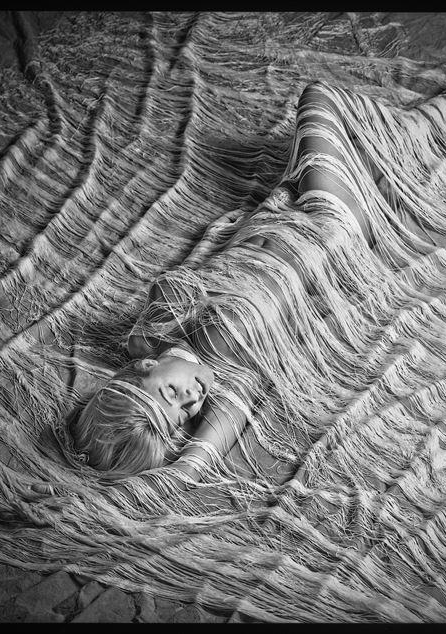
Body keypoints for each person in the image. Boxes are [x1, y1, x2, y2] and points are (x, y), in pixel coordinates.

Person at [70, 81, 390, 485]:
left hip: (281, 213)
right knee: (319, 97)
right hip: (333, 226)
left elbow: (176, 285)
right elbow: (212, 439)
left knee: (342, 142)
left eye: (172, 393)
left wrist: (154, 337)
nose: (192, 400)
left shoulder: (155, 336)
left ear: (146, 368)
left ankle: (376, 178)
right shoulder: (225, 369)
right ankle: (380, 187)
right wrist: (179, 471)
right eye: (182, 416)